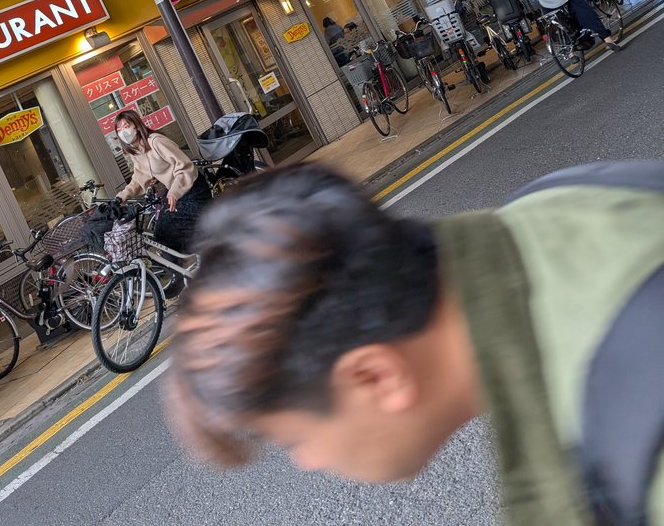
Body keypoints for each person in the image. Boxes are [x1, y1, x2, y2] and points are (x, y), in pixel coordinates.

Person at [167, 162, 664, 526]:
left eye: (294, 442)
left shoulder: (641, 434)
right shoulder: (554, 199)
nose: (308, 463)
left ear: (376, 376)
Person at [113, 110, 209, 253]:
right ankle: (182, 270)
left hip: (193, 189)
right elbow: (139, 178)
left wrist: (174, 192)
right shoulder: (136, 151)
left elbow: (184, 166)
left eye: (126, 126)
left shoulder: (156, 141)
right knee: (163, 234)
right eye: (119, 130)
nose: (123, 132)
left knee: (167, 231)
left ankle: (207, 255)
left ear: (137, 126)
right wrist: (122, 196)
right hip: (176, 195)